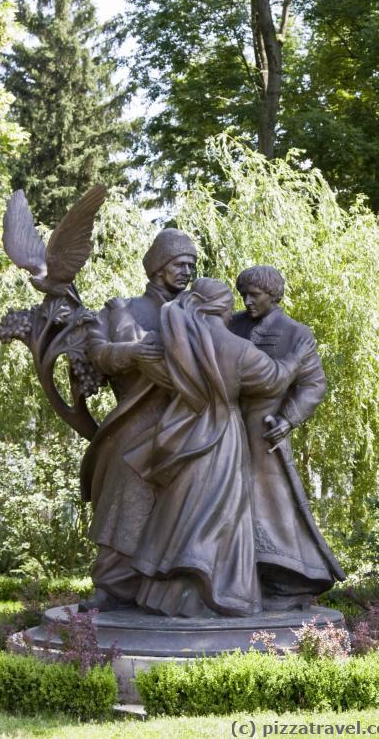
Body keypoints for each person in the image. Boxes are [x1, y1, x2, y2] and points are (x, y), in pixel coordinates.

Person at [122, 278, 312, 617]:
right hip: (222, 437)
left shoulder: (177, 339)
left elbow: (154, 369)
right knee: (221, 515)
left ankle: (165, 596)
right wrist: (297, 358)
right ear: (223, 307)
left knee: (182, 511)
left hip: (182, 434)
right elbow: (275, 378)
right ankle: (220, 596)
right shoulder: (235, 348)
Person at [79, 228, 197, 611]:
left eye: (192, 265)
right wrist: (133, 351)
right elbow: (97, 352)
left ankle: (175, 584)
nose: (186, 272)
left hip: (186, 419)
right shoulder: (121, 309)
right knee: (124, 499)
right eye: (179, 264)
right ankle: (112, 586)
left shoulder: (197, 312)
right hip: (134, 418)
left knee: (188, 502)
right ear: (159, 267)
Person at [229, 265, 345, 610]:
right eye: (244, 295)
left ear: (274, 296)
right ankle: (235, 579)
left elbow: (313, 384)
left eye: (256, 296)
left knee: (271, 506)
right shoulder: (230, 325)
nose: (248, 301)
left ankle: (288, 578)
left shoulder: (295, 334)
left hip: (265, 433)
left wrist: (287, 419)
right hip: (225, 428)